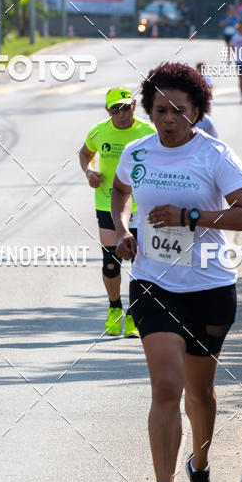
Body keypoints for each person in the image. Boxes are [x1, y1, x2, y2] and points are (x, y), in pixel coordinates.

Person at [111, 62, 242, 482]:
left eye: (179, 110)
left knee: (201, 392)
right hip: (154, 283)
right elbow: (119, 192)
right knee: (167, 387)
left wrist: (190, 218)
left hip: (210, 285)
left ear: (196, 111)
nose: (169, 119)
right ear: (149, 111)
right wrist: (122, 231)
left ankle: (200, 465)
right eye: (160, 110)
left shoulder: (215, 155)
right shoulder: (136, 152)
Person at [79, 88, 155, 336]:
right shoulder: (99, 131)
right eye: (115, 110)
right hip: (107, 203)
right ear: (108, 111)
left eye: (125, 107)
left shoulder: (148, 132)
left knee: (139, 262)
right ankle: (114, 309)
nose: (121, 114)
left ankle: (134, 314)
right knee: (111, 262)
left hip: (141, 206)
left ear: (134, 105)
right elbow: (85, 153)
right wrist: (89, 172)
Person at [194, 63, 218, 138]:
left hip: (206, 102)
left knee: (206, 119)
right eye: (200, 68)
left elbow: (210, 89)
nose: (201, 70)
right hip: (197, 102)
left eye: (203, 68)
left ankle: (205, 132)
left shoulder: (207, 79)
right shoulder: (194, 79)